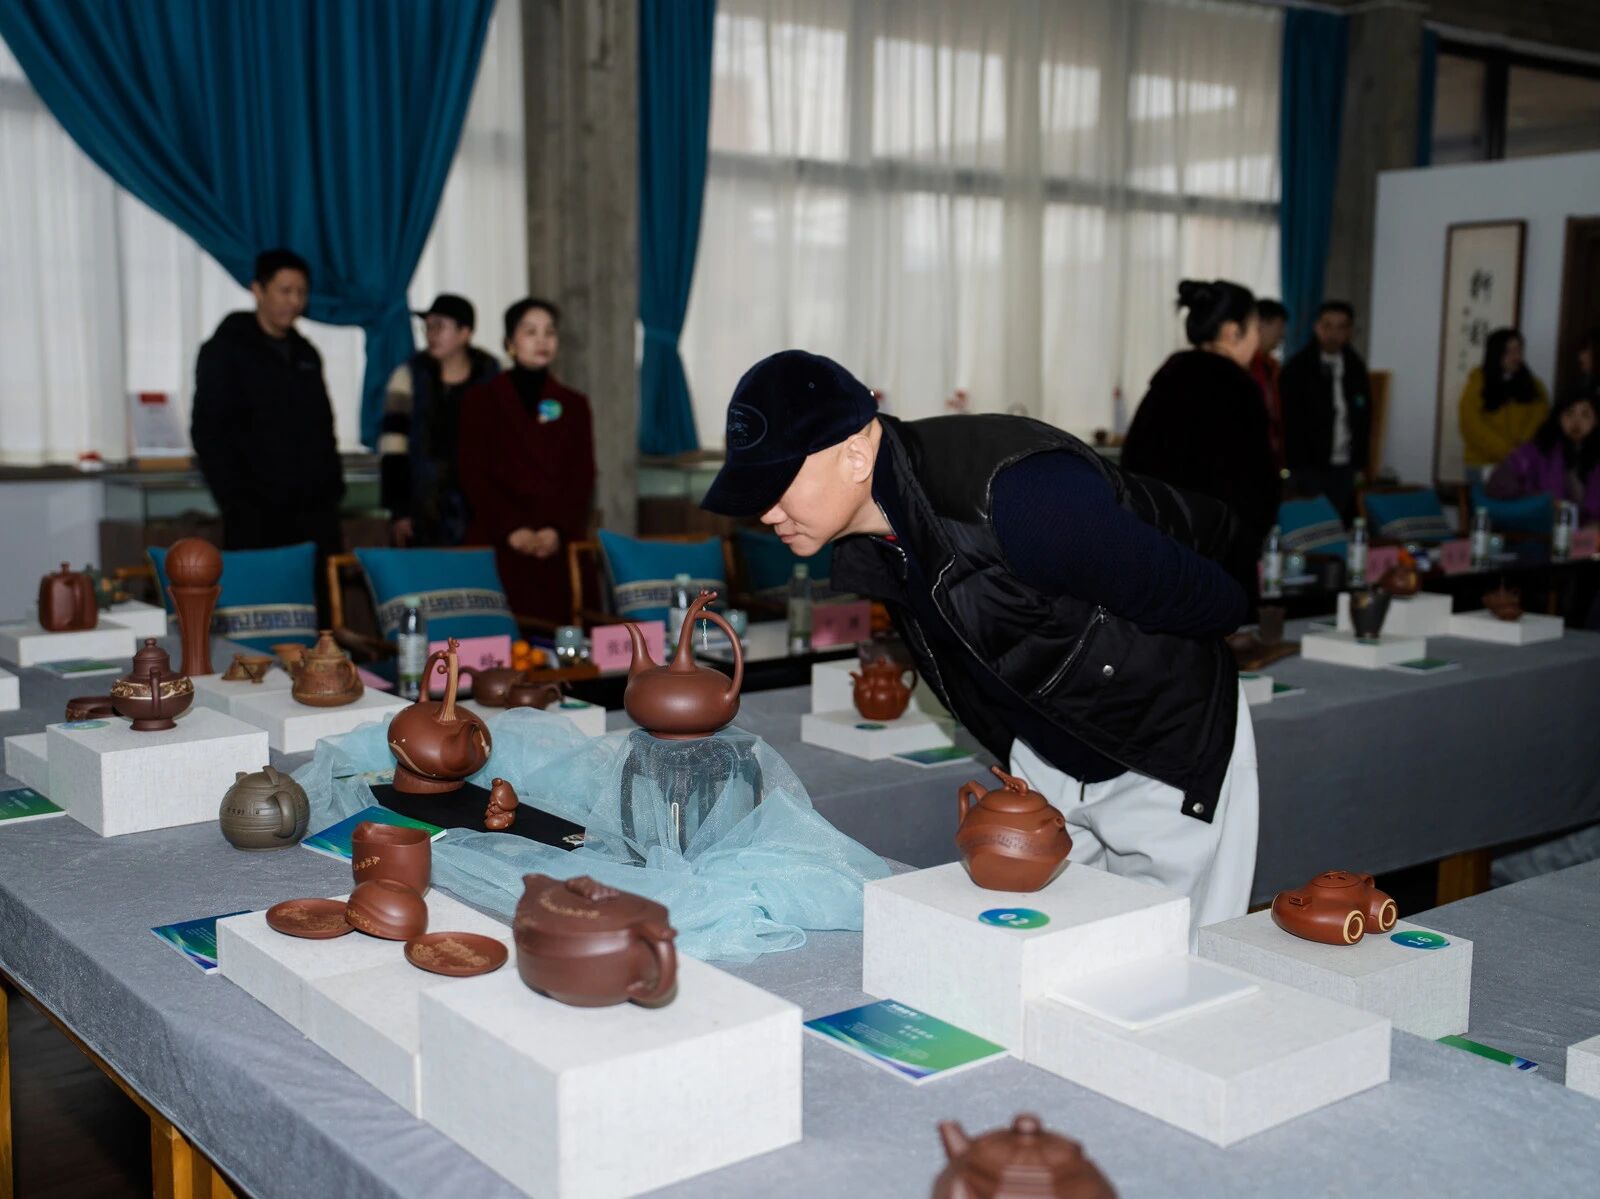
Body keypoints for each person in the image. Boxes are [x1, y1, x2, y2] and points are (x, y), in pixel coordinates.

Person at [700, 351, 1258, 935]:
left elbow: (1216, 602)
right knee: (1063, 957)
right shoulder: (874, 538)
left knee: (1179, 959)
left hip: (1162, 753)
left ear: (857, 454)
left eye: (778, 486)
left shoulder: (1019, 495)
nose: (767, 513)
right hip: (1050, 763)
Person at [191, 248, 344, 618]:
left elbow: (324, 429)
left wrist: (332, 487)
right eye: (285, 291)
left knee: (317, 615)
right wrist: (235, 500)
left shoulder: (306, 353)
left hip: (314, 513)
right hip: (255, 514)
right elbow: (208, 431)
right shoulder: (224, 351)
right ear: (257, 290)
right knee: (260, 614)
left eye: (301, 292)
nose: (294, 301)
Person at [1120, 280, 1280, 602]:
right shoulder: (1237, 389)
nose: (1258, 339)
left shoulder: (1167, 381)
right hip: (1218, 551)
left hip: (1159, 545)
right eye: (1255, 329)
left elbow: (1133, 463)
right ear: (1232, 332)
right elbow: (1253, 483)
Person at [457, 298, 595, 627]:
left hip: (556, 542)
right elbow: (472, 473)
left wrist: (555, 529)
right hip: (499, 538)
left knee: (567, 642)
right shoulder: (480, 401)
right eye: (530, 332)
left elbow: (583, 475)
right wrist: (511, 528)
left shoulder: (574, 404)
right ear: (509, 342)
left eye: (549, 332)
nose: (542, 340)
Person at [379, 294, 501, 547]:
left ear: (464, 333)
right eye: (427, 327)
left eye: (439, 326)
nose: (431, 335)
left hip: (480, 509)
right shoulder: (408, 376)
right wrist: (399, 510)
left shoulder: (492, 379)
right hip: (421, 510)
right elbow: (393, 448)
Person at [1279, 300, 1371, 519]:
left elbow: (1364, 417)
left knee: (1340, 521)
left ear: (1350, 331)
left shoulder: (1356, 367)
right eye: (1327, 326)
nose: (1333, 334)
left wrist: (1360, 462)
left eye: (1341, 327)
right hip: (1308, 467)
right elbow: (1289, 421)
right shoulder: (1297, 368)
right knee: (1311, 522)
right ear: (1316, 327)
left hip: (1345, 465)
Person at [1486, 394, 1600, 521]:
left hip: (1586, 528)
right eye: (1569, 413)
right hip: (1537, 524)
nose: (1576, 421)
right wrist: (1540, 501)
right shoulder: (1538, 448)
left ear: (1596, 421)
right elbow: (1498, 484)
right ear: (1558, 417)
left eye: (1585, 415)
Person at [1459, 327, 1550, 480]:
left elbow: (1540, 419)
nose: (1516, 356)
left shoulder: (1534, 386)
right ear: (1496, 354)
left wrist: (1519, 450)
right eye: (1509, 351)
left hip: (1521, 463)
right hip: (1482, 463)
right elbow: (1470, 423)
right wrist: (1506, 450)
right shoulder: (1478, 381)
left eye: (1518, 350)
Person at [1250, 298, 1288, 473]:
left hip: (1272, 453)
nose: (1282, 335)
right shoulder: (1245, 366)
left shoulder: (1272, 366)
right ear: (1261, 324)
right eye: (1279, 327)